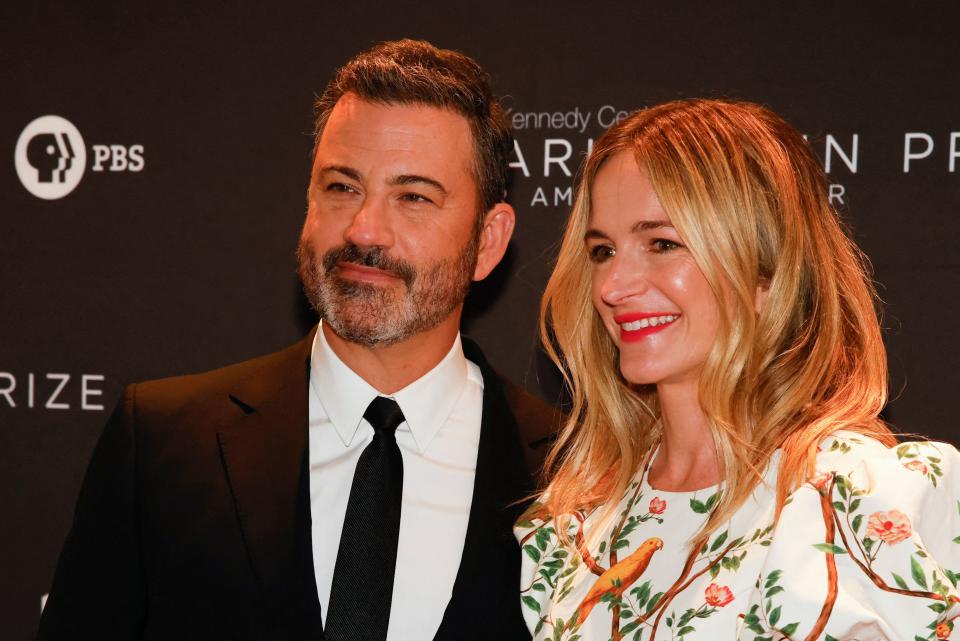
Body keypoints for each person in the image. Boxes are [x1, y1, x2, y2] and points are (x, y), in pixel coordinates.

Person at [38, 39, 559, 641]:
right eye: (342, 187)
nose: (365, 228)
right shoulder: (161, 442)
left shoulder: (572, 475)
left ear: (488, 241)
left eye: (413, 197)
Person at [516, 99, 960, 641]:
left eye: (662, 244)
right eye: (603, 251)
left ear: (766, 272)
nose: (612, 287)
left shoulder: (853, 498)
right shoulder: (576, 524)